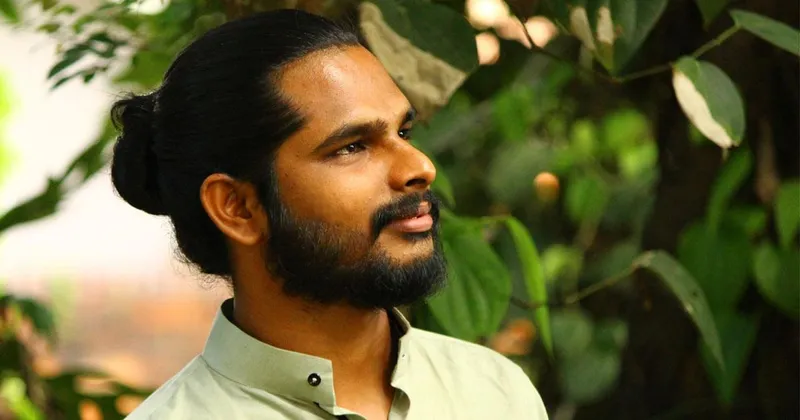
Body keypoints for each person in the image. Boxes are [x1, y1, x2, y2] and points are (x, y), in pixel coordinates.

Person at [112, 9, 548, 420]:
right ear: (238, 207)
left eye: (404, 132)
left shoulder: (495, 393)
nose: (420, 166)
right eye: (352, 147)